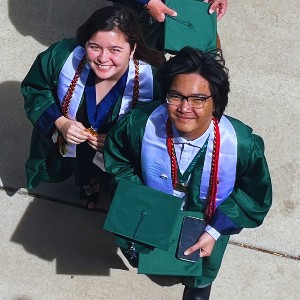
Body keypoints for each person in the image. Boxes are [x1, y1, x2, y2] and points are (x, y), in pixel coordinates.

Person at [104, 47, 272, 299]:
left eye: (197, 99)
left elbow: (254, 193)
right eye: (175, 96)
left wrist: (215, 230)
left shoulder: (241, 145)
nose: (184, 108)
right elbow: (119, 159)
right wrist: (138, 198)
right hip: (154, 211)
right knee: (152, 261)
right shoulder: (140, 125)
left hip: (209, 220)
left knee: (203, 268)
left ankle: (199, 286)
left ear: (216, 102)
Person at [21, 6, 165, 210]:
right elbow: (36, 87)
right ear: (85, 42)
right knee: (81, 169)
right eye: (95, 47)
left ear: (132, 49)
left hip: (118, 157)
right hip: (76, 147)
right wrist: (61, 123)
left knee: (115, 181)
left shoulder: (154, 82)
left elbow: (166, 131)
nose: (103, 58)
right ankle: (89, 185)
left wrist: (119, 144)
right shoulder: (63, 57)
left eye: (115, 50)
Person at [110, 0, 228, 51]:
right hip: (140, 11)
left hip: (190, 6)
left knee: (203, 57)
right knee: (144, 58)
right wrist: (147, 1)